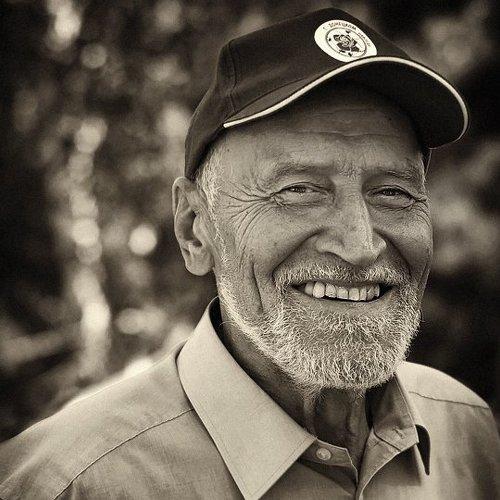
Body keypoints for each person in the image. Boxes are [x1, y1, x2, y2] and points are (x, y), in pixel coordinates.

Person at [0, 8, 499, 500]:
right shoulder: (70, 484)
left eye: (393, 193)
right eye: (299, 190)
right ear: (194, 230)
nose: (360, 246)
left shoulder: (467, 431)